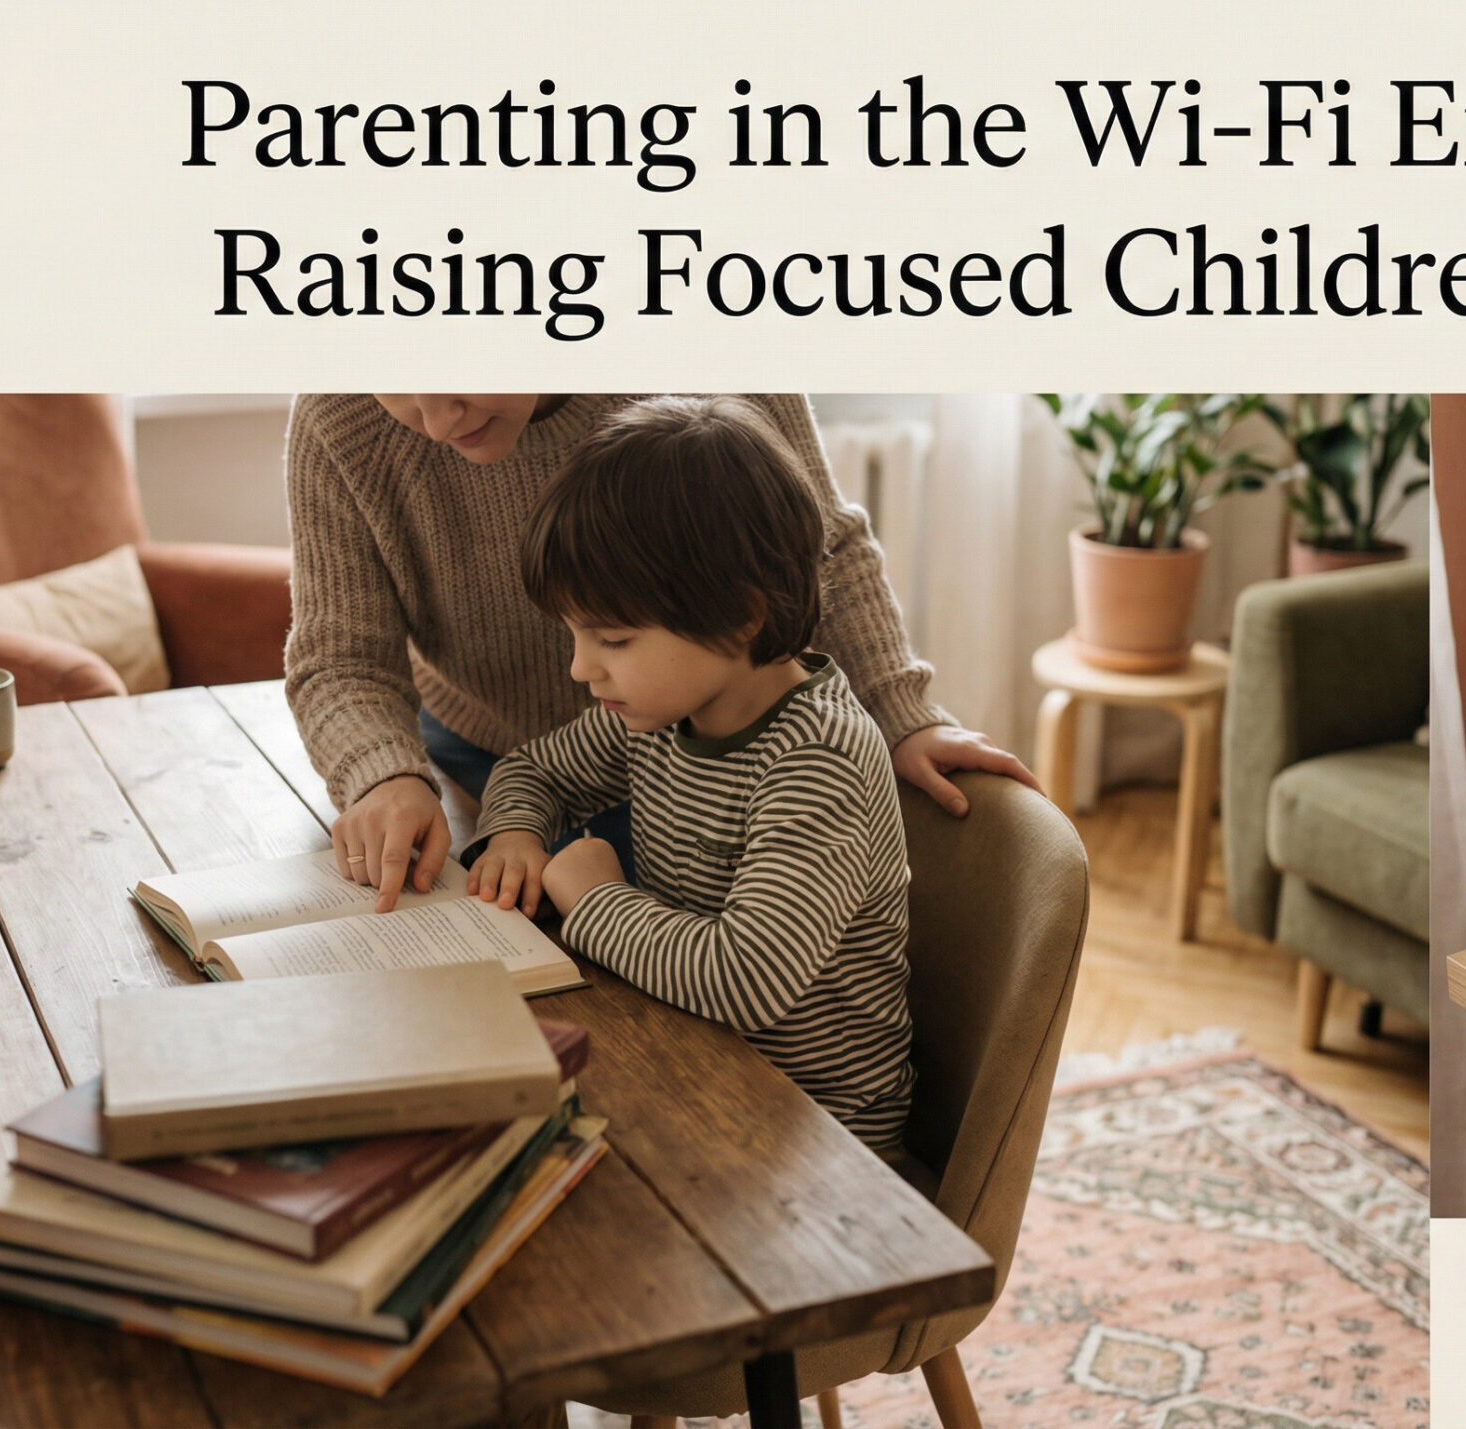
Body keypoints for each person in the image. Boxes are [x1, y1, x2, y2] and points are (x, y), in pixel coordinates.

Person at [285, 393, 1035, 912]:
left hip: (700, 760)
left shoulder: (810, 765)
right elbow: (341, 658)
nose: (437, 416)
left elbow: (821, 544)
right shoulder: (336, 419)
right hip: (480, 762)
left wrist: (901, 711)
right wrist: (384, 776)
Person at [463, 396, 914, 1148]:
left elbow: (742, 979)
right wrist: (514, 829)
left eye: (612, 637)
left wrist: (594, 898)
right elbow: (534, 768)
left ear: (740, 617)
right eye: (575, 634)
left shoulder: (819, 761)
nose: (580, 667)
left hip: (819, 1139)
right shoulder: (666, 714)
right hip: (695, 1065)